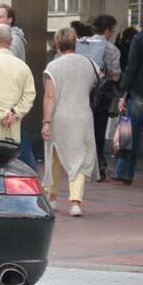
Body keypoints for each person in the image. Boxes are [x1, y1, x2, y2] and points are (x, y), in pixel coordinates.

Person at [42, 28, 99, 217]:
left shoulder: (52, 67)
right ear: (76, 43)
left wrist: (46, 121)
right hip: (83, 116)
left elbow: (50, 96)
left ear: (57, 44)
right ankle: (76, 202)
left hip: (60, 117)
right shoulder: (90, 64)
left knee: (55, 157)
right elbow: (100, 79)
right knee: (80, 157)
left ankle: (52, 197)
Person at [0, 3, 37, 171]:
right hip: (8, 94)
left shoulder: (13, 40)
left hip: (8, 95)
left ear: (10, 19)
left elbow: (5, 66)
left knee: (16, 136)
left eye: (0, 17)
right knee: (14, 135)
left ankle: (30, 171)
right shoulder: (11, 38)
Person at [116, 2, 143, 188]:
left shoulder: (139, 39)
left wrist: (123, 93)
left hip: (141, 91)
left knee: (131, 134)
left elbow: (131, 67)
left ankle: (127, 173)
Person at [75, 15, 122, 181]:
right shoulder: (111, 49)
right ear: (108, 30)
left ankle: (81, 165)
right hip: (101, 96)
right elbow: (115, 75)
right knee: (98, 130)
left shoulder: (81, 44)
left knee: (82, 129)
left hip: (80, 93)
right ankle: (99, 166)